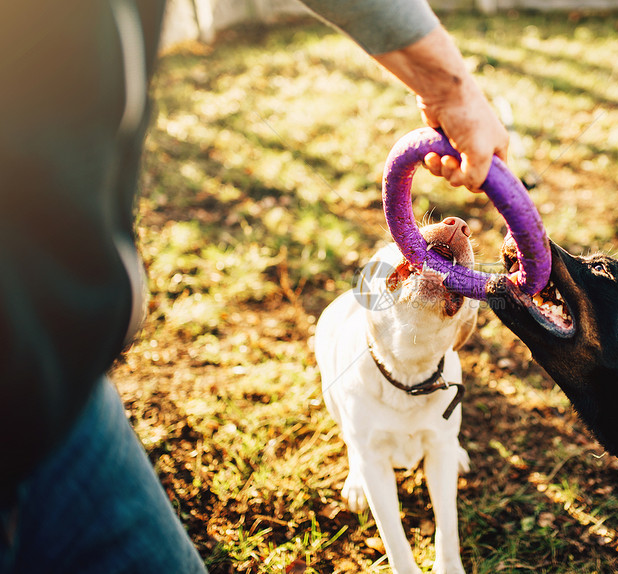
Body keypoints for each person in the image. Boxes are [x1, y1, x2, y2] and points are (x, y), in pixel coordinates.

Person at [0, 0, 508, 572]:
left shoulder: (449, 369)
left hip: (67, 393)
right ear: (369, 294)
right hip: (45, 361)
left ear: (461, 335)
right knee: (365, 449)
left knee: (440, 441)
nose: (459, 227)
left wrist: (448, 84)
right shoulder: (351, 328)